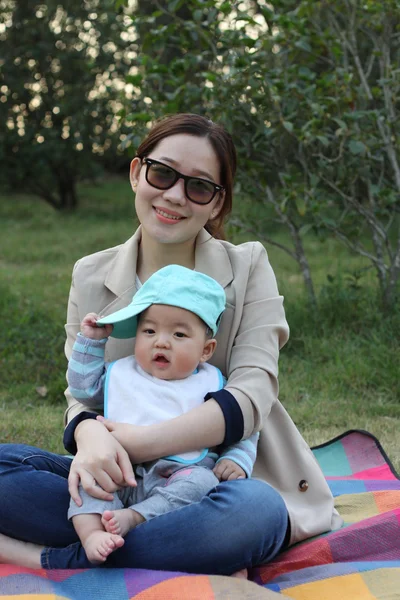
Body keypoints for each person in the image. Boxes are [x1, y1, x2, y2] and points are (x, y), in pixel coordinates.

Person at [0, 113, 342, 573]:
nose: (175, 195)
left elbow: (253, 391)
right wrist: (89, 436)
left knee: (252, 513)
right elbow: (82, 395)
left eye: (199, 186)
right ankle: (172, 548)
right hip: (118, 481)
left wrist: (136, 443)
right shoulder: (91, 275)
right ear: (136, 173)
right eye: (163, 174)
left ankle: (62, 556)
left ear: (217, 205)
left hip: (214, 481)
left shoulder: (248, 266)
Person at [67, 265, 259, 563]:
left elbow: (244, 427)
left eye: (179, 334)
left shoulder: (212, 385)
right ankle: (92, 533)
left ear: (206, 350)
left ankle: (135, 517)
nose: (161, 341)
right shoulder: (122, 374)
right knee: (84, 475)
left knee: (203, 484)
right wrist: (92, 341)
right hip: (117, 471)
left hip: (175, 477)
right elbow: (83, 389)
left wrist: (235, 459)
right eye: (149, 330)